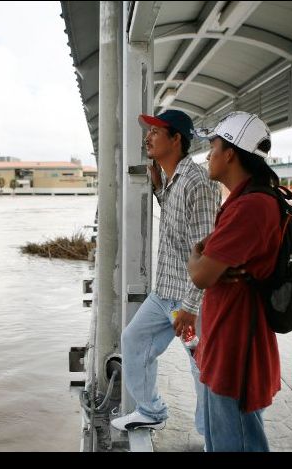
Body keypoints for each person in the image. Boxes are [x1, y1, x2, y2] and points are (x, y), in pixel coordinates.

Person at [110, 109, 218, 435]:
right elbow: (176, 228)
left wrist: (190, 306)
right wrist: (159, 191)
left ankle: (212, 434)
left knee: (201, 367)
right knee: (134, 339)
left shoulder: (197, 184)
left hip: (188, 298)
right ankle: (151, 410)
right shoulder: (172, 180)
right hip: (164, 291)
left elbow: (207, 252)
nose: (148, 136)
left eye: (156, 131)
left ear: (176, 139)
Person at [187, 111, 282, 451]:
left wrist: (196, 252)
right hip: (224, 342)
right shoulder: (244, 201)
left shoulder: (252, 207)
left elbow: (200, 274)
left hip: (236, 350)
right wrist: (205, 258)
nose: (207, 156)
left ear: (229, 153)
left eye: (211, 147)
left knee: (236, 444)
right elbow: (209, 270)